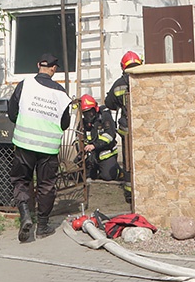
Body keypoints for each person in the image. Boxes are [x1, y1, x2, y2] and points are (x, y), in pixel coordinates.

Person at [8, 53, 71, 242]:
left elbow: (12, 112)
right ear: (53, 68)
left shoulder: (24, 85)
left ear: (38, 65)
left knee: (20, 180)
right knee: (46, 185)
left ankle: (25, 215)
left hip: (25, 143)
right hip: (48, 147)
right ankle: (42, 226)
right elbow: (65, 123)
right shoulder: (60, 93)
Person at [105, 50, 143, 203]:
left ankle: (129, 193)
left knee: (128, 162)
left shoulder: (119, 84)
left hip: (126, 130)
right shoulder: (145, 79)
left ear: (123, 66)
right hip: (144, 128)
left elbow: (109, 103)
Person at [79, 94, 124, 183]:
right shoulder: (84, 122)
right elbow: (79, 137)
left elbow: (109, 136)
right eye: (85, 113)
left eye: (90, 112)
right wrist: (81, 149)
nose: (89, 115)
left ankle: (118, 171)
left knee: (107, 176)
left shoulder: (105, 117)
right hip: (92, 156)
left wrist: (94, 145)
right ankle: (95, 171)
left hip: (106, 153)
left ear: (95, 109)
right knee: (82, 176)